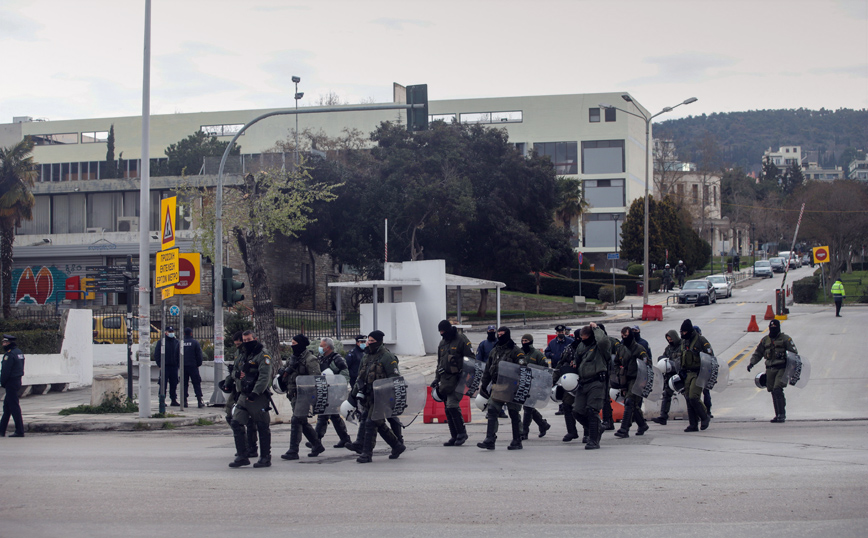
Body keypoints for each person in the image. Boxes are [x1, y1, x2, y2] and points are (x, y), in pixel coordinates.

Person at [354, 330, 406, 463]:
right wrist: (353, 395)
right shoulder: (366, 357)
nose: (368, 343)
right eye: (368, 341)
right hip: (368, 397)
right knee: (377, 422)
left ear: (378, 341)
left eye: (372, 341)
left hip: (382, 397)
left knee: (371, 422)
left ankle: (366, 453)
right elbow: (360, 377)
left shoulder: (387, 357)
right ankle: (396, 445)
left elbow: (394, 379)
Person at [226, 330, 274, 468]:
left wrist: (255, 392)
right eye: (244, 340)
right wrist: (236, 375)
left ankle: (265, 457)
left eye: (249, 340)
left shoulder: (263, 355)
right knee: (236, 422)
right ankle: (242, 455)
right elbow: (234, 371)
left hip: (257, 397)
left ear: (255, 338)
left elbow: (265, 377)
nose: (246, 342)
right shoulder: (242, 355)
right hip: (243, 394)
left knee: (262, 426)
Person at [477, 326, 526, 450]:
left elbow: (523, 369)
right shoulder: (495, 351)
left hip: (512, 387)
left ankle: (517, 440)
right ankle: (490, 439)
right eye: (498, 334)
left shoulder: (516, 351)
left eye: (502, 334)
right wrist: (484, 384)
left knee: (514, 413)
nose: (500, 336)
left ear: (508, 334)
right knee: (492, 410)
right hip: (498, 386)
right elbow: (488, 369)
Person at [279, 334, 326, 461]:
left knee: (296, 420)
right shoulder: (292, 358)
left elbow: (316, 379)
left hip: (305, 395)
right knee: (301, 421)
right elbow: (284, 373)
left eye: (294, 344)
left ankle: (293, 450)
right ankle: (317, 444)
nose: (292, 346)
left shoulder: (310, 359)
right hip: (293, 394)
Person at [433, 320, 475, 447]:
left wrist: (467, 378)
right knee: (447, 408)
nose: (441, 334)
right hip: (445, 381)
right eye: (440, 332)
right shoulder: (442, 343)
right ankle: (454, 435)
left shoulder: (461, 340)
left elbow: (471, 359)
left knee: (452, 405)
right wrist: (436, 378)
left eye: (443, 331)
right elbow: (440, 362)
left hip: (458, 379)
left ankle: (462, 433)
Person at [747, 319, 798, 423]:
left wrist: (793, 370)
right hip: (770, 369)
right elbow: (758, 353)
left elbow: (794, 354)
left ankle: (781, 414)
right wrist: (752, 363)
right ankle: (777, 414)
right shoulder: (765, 340)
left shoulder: (786, 339)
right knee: (772, 391)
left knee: (777, 389)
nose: (773, 329)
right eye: (771, 328)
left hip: (782, 368)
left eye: (775, 327)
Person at [571, 322, 611, 450]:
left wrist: (596, 328)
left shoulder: (600, 347)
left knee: (592, 410)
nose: (583, 340)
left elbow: (603, 340)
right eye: (582, 338)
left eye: (586, 337)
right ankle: (598, 428)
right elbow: (577, 357)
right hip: (583, 382)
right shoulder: (582, 346)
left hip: (596, 382)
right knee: (577, 411)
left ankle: (594, 440)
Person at [311, 338, 353, 449]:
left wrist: (339, 389)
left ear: (328, 347)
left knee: (323, 415)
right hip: (324, 390)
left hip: (333, 392)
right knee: (334, 416)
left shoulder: (337, 359)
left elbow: (345, 375)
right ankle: (345, 438)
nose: (319, 348)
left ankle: (316, 441)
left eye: (322, 346)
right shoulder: (321, 358)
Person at [613, 326, 650, 438]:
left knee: (629, 401)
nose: (624, 338)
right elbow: (615, 362)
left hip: (637, 379)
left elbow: (646, 364)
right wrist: (619, 372)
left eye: (626, 336)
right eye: (622, 336)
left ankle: (624, 429)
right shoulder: (621, 349)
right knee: (632, 404)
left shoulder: (639, 349)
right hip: (626, 379)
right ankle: (642, 424)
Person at [678, 319, 713, 432]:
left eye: (684, 332)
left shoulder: (701, 340)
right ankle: (693, 424)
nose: (682, 334)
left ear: (689, 331)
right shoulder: (684, 342)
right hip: (687, 373)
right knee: (688, 398)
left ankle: (704, 416)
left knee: (694, 397)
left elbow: (710, 356)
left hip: (698, 373)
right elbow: (680, 357)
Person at [519, 334, 551, 441]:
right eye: (523, 340)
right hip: (523, 384)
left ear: (531, 341)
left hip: (535, 385)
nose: (524, 342)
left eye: (526, 340)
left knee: (527, 408)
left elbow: (545, 368)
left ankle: (524, 431)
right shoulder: (520, 353)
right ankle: (542, 424)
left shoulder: (537, 354)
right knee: (529, 407)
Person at [652, 330, 681, 425]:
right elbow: (664, 358)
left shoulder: (682, 347)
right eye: (668, 340)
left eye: (671, 339)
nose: (670, 341)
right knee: (666, 395)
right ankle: (663, 416)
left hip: (680, 374)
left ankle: (696, 415)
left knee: (687, 395)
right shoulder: (668, 348)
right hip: (670, 375)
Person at [545, 324, 574, 415]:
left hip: (566, 368)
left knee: (567, 386)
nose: (561, 333)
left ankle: (568, 406)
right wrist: (552, 355)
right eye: (559, 332)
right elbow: (547, 352)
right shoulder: (553, 342)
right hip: (556, 368)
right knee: (558, 387)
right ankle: (561, 407)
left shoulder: (570, 341)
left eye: (562, 332)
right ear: (556, 333)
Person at [0, 334, 26, 437]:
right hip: (17, 380)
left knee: (14, 407)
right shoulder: (19, 352)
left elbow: (6, 371)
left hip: (10, 382)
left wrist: (3, 382)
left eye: (5, 343)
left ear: (9, 343)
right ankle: (1, 430)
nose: (3, 344)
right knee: (7, 407)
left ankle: (20, 430)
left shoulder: (9, 355)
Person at [154, 326, 180, 406]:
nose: (171, 333)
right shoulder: (161, 342)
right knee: (163, 384)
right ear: (166, 332)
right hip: (165, 366)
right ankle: (162, 400)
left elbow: (179, 354)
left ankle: (173, 400)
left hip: (174, 366)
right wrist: (160, 364)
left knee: (174, 384)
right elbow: (157, 354)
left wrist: (178, 365)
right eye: (170, 331)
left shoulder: (176, 342)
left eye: (172, 331)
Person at [182, 327, 204, 408]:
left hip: (183, 367)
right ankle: (199, 401)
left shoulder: (181, 342)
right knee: (196, 383)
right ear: (191, 333)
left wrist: (179, 364)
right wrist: (198, 364)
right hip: (193, 366)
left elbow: (176, 355)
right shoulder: (195, 343)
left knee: (184, 384)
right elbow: (199, 355)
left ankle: (184, 401)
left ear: (184, 334)